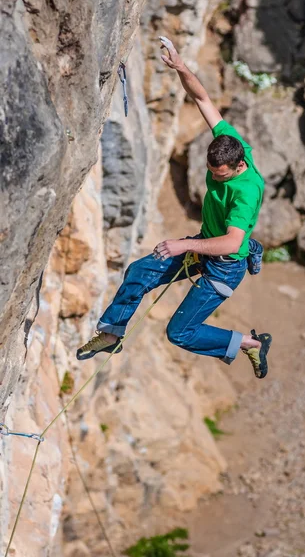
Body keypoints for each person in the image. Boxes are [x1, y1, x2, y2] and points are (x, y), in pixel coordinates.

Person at [76, 36, 272, 378]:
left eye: (219, 175)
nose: (213, 179)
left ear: (238, 165)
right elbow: (202, 98)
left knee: (179, 333)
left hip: (224, 265)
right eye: (211, 171)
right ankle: (111, 334)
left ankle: (249, 344)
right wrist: (182, 67)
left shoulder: (245, 192)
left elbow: (228, 242)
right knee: (139, 272)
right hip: (207, 246)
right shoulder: (231, 145)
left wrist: (183, 244)